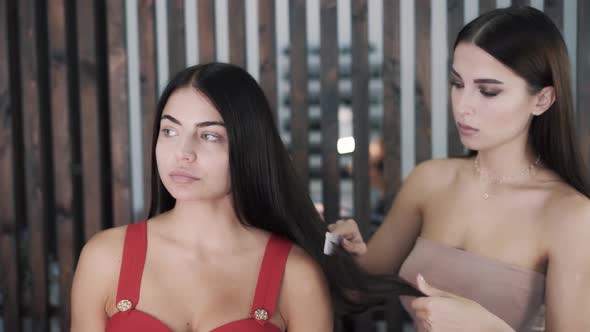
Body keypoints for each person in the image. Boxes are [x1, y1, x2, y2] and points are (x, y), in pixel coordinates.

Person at [70, 63, 419, 332]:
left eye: (209, 136)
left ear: (248, 148)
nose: (183, 152)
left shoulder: (295, 274)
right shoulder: (105, 258)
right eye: (170, 130)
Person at [329, 6, 590, 332]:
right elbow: (356, 291)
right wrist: (343, 250)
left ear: (542, 100)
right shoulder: (431, 180)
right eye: (457, 83)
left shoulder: (571, 215)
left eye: (488, 91)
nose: (463, 105)